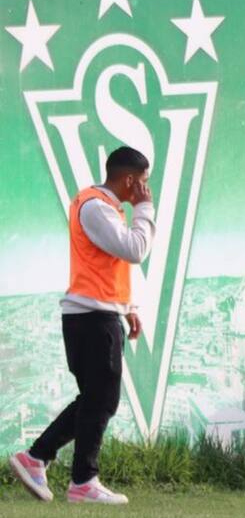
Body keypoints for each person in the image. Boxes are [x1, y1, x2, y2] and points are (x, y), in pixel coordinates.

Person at [8, 146, 155, 505]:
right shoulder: (97, 207)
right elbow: (135, 249)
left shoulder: (101, 207)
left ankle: (38, 458)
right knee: (101, 400)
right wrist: (144, 210)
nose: (146, 190)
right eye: (144, 183)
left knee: (95, 400)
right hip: (92, 319)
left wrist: (128, 307)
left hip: (95, 315)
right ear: (131, 180)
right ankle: (82, 480)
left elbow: (105, 265)